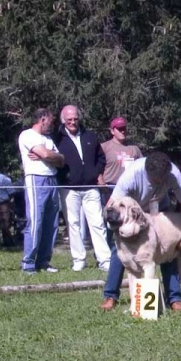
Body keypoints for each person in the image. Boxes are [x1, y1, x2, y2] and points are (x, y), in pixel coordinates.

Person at [101, 151, 181, 312]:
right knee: (119, 252)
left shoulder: (174, 174)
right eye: (154, 179)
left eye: (161, 179)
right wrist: (116, 228)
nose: (157, 182)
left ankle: (174, 298)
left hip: (159, 210)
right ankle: (110, 296)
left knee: (168, 250)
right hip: (130, 213)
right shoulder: (131, 174)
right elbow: (112, 204)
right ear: (146, 171)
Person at [55, 105, 111, 272]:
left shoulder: (90, 136)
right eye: (69, 119)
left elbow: (101, 158)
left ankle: (105, 260)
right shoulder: (56, 138)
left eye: (75, 119)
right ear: (63, 120)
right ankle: (79, 260)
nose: (73, 122)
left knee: (98, 223)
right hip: (69, 188)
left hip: (90, 186)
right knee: (73, 224)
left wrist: (97, 173)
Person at [99, 116, 143, 310]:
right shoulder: (105, 147)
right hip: (112, 195)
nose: (122, 131)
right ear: (112, 130)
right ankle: (111, 295)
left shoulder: (134, 149)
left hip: (132, 200)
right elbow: (97, 168)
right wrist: (103, 188)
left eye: (124, 128)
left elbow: (143, 171)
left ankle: (143, 294)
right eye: (119, 128)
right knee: (116, 245)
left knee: (140, 245)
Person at [18, 108, 64, 273]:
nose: (51, 125)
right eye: (50, 121)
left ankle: (43, 261)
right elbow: (46, 154)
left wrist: (48, 155)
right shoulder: (27, 135)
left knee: (51, 223)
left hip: (52, 180)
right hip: (36, 179)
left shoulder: (48, 139)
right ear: (42, 119)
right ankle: (28, 263)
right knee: (35, 221)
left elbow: (61, 160)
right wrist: (48, 155)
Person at [0, 164, 15, 247]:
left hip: (3, 204)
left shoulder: (4, 179)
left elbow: (11, 193)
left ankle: (8, 244)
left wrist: (7, 203)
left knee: (5, 225)